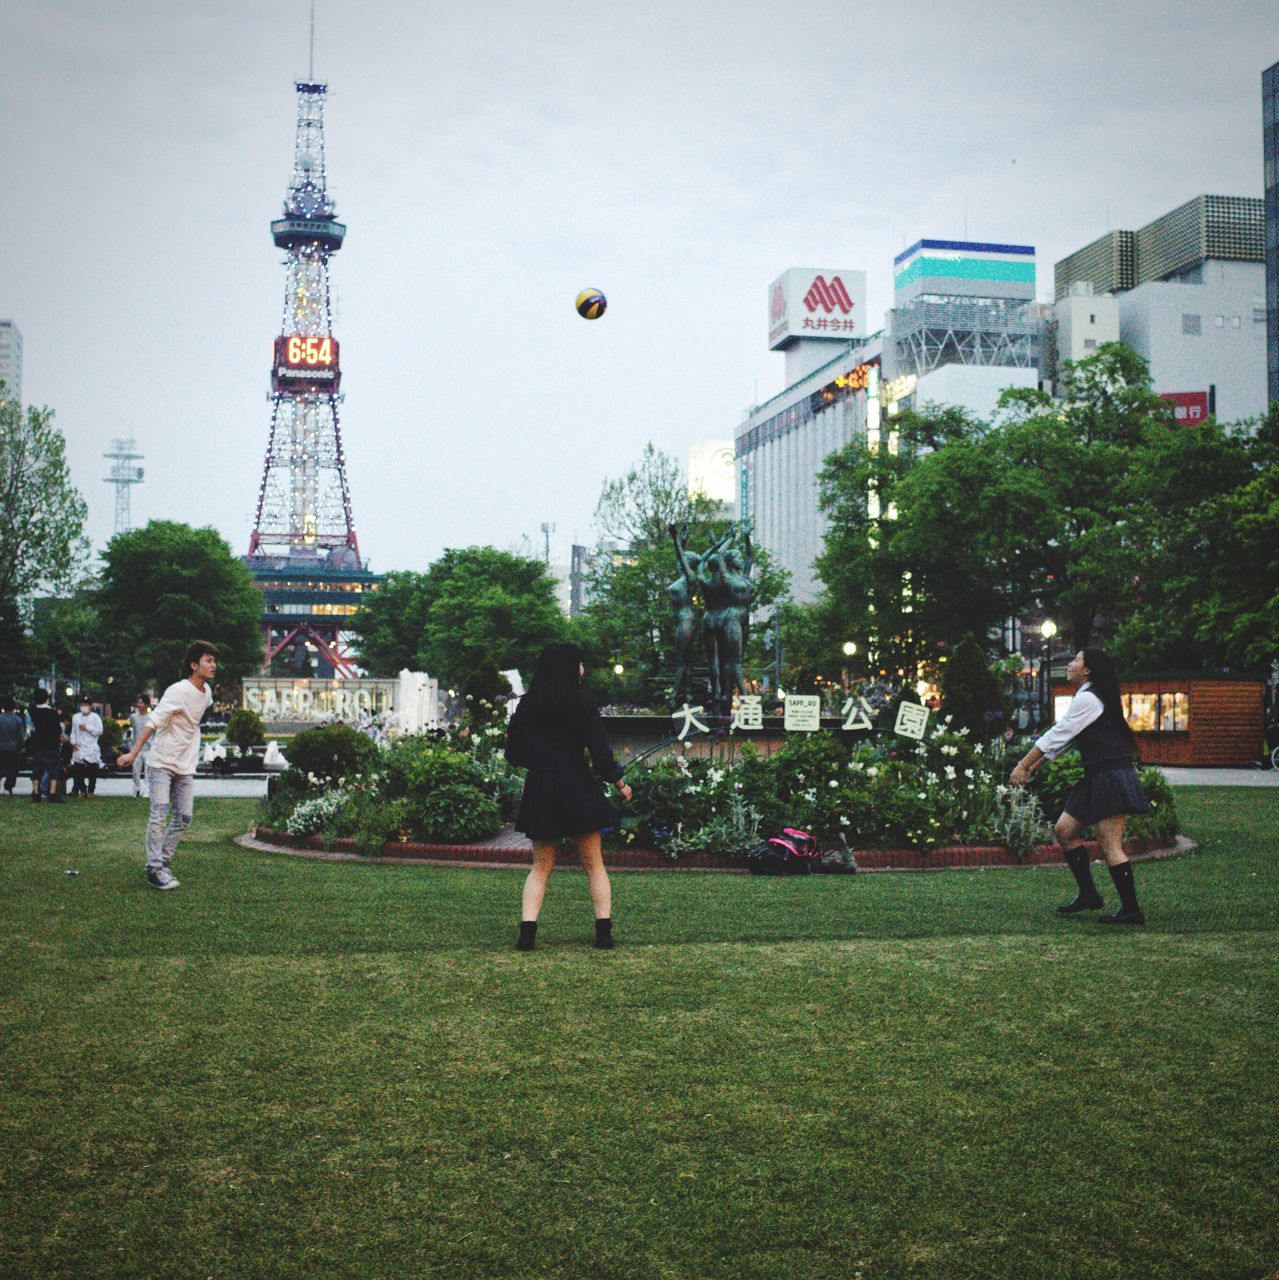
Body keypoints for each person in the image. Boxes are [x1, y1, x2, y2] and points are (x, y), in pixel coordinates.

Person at [504, 642, 632, 951]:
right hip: (577, 786)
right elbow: (601, 755)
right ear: (571, 668)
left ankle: (527, 934)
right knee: (594, 864)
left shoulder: (527, 705)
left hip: (541, 789)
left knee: (540, 867)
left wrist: (539, 761)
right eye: (581, 663)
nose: (583, 669)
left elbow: (513, 754)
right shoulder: (582, 704)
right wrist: (620, 783)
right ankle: (603, 933)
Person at [1010, 647, 1149, 925]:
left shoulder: (1088, 698)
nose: (1070, 664)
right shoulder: (1088, 697)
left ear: (1087, 670)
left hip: (1109, 775)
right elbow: (1064, 743)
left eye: (1076, 660)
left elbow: (1057, 735)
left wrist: (1023, 765)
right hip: (1096, 775)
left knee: (1109, 844)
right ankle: (1089, 895)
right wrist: (1031, 768)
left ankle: (1131, 910)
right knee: (1064, 830)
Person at [117, 641, 217, 891]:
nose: (213, 665)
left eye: (214, 661)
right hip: (161, 762)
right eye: (208, 661)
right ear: (194, 665)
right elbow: (153, 722)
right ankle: (154, 869)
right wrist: (133, 753)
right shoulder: (177, 690)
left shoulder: (207, 693)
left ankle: (162, 861)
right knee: (159, 815)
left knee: (184, 816)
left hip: (185, 764)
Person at [27, 689, 64, 803]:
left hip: (37, 745)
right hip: (51, 745)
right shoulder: (52, 713)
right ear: (47, 699)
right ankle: (52, 793)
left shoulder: (31, 712)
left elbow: (30, 729)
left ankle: (36, 792)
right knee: (53, 770)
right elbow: (57, 730)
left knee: (37, 770)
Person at [69, 695, 104, 798]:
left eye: (86, 705)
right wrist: (73, 743)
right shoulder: (76, 717)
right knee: (78, 769)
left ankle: (91, 790)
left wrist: (88, 728)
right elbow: (73, 732)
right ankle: (82, 790)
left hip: (91, 746)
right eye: (82, 705)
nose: (83, 707)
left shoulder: (95, 717)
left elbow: (99, 731)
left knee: (92, 769)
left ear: (90, 706)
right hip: (79, 746)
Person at [0, 698, 25, 795]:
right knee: (12, 769)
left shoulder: (0, 718)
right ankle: (8, 787)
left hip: (1, 747)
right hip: (13, 748)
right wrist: (21, 747)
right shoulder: (17, 720)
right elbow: (20, 736)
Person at [128, 696, 152, 797]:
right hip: (136, 748)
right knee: (135, 771)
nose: (139, 705)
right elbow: (133, 730)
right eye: (138, 703)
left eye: (141, 703)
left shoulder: (151, 717)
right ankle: (137, 788)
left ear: (146, 705)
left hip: (148, 748)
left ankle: (147, 790)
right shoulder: (134, 717)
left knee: (148, 771)